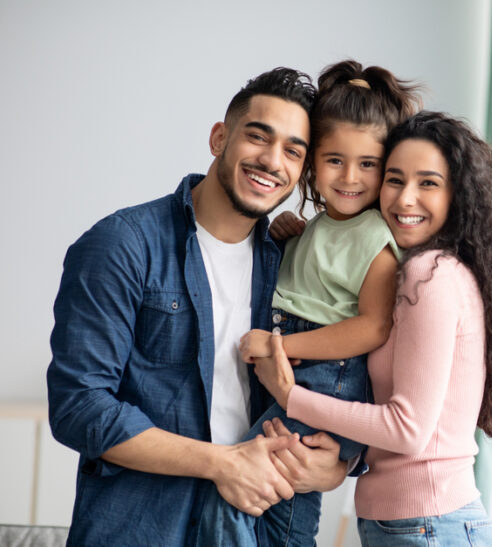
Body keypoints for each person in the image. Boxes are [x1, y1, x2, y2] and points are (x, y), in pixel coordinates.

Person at [46, 67, 349, 546]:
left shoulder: (289, 264)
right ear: (219, 138)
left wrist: (340, 464)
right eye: (258, 136)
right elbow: (79, 406)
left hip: (256, 528)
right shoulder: (122, 245)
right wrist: (223, 464)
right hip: (142, 529)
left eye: (293, 150)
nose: (272, 161)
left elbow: (338, 374)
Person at [256, 111, 492, 545]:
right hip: (417, 523)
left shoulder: (431, 275)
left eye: (427, 183)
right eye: (395, 180)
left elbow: (407, 430)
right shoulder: (411, 271)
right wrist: (299, 238)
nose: (405, 199)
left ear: (458, 195)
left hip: (429, 524)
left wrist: (290, 396)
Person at [194, 59, 421, 546]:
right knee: (278, 507)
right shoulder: (317, 226)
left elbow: (372, 328)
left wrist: (280, 344)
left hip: (326, 380)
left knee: (242, 495)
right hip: (303, 375)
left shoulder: (375, 236)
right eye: (335, 160)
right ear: (312, 163)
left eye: (368, 165)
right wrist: (288, 238)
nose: (350, 178)